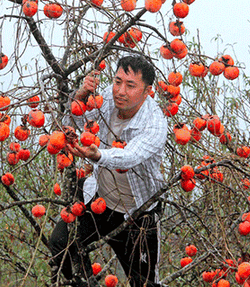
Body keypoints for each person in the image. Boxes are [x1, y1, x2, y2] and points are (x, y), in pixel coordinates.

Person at [49, 55, 168, 287]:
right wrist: (81, 94)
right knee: (60, 245)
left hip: (137, 214)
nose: (120, 91)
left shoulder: (155, 123)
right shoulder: (109, 98)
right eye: (117, 81)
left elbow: (131, 155)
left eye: (130, 85)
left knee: (143, 283)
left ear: (147, 91)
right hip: (99, 198)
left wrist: (98, 155)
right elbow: (73, 117)